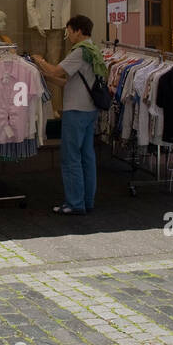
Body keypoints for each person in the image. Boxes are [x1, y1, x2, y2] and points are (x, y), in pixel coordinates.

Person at [31, 14, 104, 216]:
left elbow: (56, 70)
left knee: (71, 158)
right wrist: (46, 76)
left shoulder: (80, 52)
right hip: (89, 109)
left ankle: (74, 203)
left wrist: (39, 60)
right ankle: (87, 200)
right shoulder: (94, 50)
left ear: (78, 31)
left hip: (76, 110)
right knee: (87, 157)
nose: (68, 35)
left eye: (69, 31)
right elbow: (68, 82)